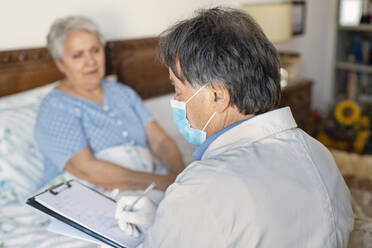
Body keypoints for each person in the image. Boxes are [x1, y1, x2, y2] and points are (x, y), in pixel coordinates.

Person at [114, 7, 354, 247]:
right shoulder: (319, 152)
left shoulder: (200, 188)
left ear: (218, 96)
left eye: (178, 90)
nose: (177, 102)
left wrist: (160, 229)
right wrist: (163, 222)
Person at [34, 16, 185, 192]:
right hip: (89, 194)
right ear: (60, 63)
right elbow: (86, 170)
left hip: (145, 187)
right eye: (78, 55)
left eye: (95, 50)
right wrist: (163, 183)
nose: (91, 61)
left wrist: (180, 177)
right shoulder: (55, 107)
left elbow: (160, 141)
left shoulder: (122, 93)